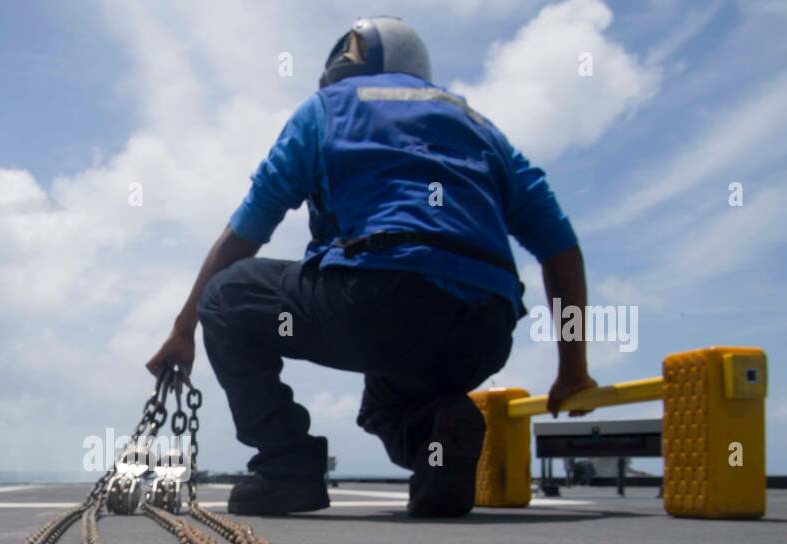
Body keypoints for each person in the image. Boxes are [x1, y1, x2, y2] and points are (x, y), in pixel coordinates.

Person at [146, 16, 596, 516]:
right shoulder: (482, 128)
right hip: (483, 332)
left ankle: (287, 466)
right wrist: (573, 368)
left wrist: (185, 327)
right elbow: (561, 247)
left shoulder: (327, 109)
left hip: (377, 305)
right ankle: (439, 438)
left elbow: (245, 233)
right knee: (388, 402)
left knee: (227, 296)